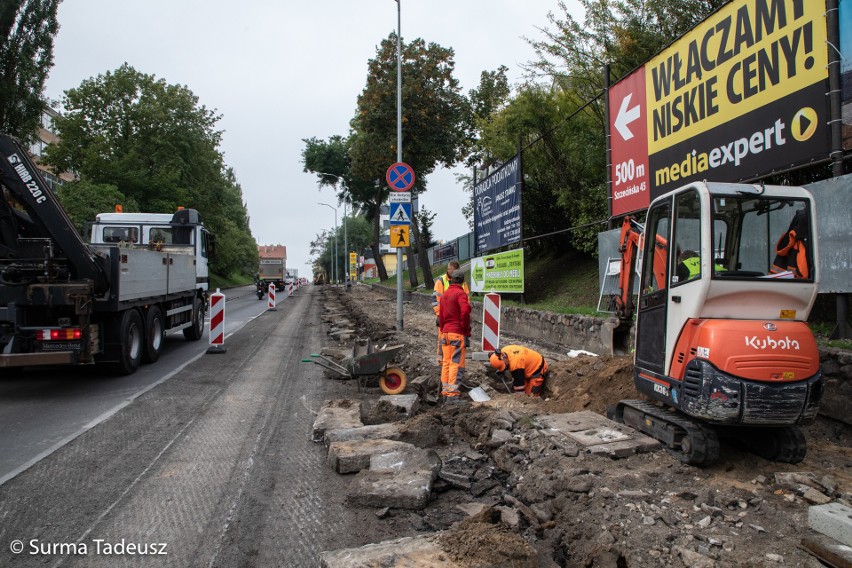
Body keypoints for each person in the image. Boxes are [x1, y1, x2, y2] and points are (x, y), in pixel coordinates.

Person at [438, 269, 471, 402]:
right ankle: (452, 396)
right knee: (456, 364)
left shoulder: (445, 294)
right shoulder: (460, 294)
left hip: (445, 334)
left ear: (451, 280)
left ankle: (445, 393)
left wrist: (443, 329)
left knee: (446, 363)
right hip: (457, 333)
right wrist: (465, 329)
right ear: (462, 281)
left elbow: (441, 315)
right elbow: (465, 311)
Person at [432, 261, 470, 366]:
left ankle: (447, 363)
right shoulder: (441, 281)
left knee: (449, 342)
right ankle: (442, 361)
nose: (454, 275)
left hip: (454, 318)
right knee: (442, 339)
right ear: (448, 270)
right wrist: (439, 315)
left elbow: (467, 300)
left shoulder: (462, 283)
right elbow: (436, 300)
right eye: (452, 272)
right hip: (445, 316)